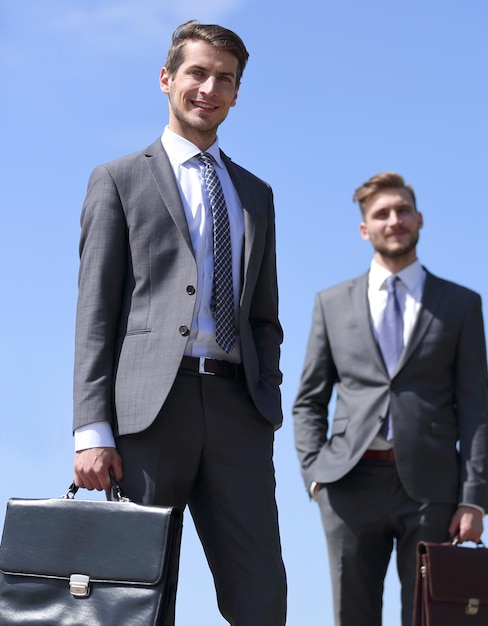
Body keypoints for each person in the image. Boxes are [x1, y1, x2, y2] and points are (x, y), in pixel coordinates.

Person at [72, 20, 287, 626]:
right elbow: (94, 311)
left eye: (225, 79)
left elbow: (264, 315)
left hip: (237, 412)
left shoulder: (256, 195)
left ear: (237, 93)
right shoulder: (118, 180)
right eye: (197, 73)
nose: (208, 88)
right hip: (146, 415)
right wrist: (92, 429)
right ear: (167, 79)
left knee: (262, 593)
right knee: (139, 594)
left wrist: (264, 397)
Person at [292, 171, 488, 626]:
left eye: (403, 210)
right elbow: (308, 400)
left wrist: (474, 499)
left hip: (432, 488)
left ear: (420, 219)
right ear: (365, 229)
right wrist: (314, 474)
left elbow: (475, 408)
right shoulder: (331, 303)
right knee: (352, 618)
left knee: (428, 617)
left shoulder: (461, 304)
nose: (394, 220)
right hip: (347, 485)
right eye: (382, 214)